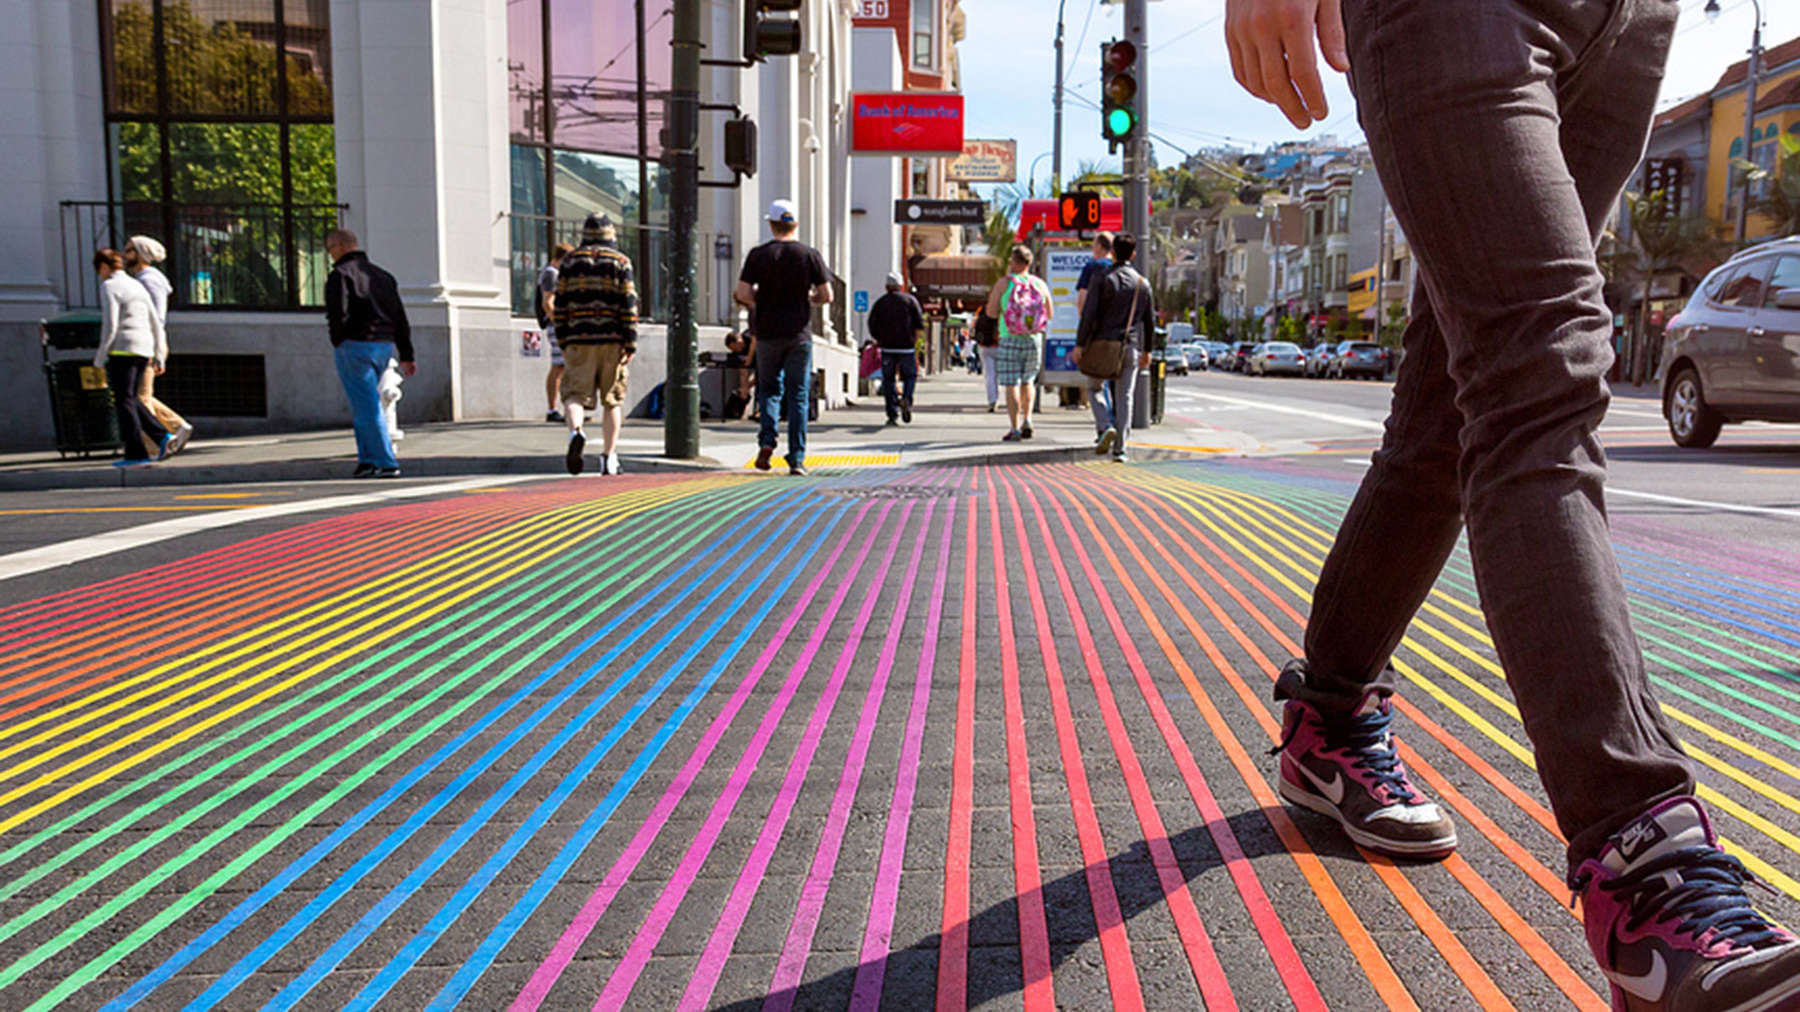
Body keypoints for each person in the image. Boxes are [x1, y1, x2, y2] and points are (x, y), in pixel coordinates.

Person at [1227, 0, 1800, 1007]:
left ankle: (1328, 715)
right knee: (1541, 367)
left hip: (1627, 22)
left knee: (1451, 407)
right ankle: (1647, 872)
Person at [735, 199, 831, 476]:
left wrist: (761, 301)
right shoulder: (809, 254)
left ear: (771, 224)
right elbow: (827, 295)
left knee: (768, 390)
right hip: (799, 334)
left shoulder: (758, 255)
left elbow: (742, 293)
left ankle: (767, 442)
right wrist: (809, 298)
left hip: (767, 333)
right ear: (796, 223)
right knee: (798, 394)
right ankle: (797, 457)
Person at [324, 228, 414, 479]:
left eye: (330, 250)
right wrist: (406, 353)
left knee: (366, 406)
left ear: (339, 247)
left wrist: (338, 340)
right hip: (384, 345)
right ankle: (367, 460)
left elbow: (337, 314)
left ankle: (385, 461)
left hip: (355, 345)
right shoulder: (383, 277)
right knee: (365, 404)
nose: (331, 255)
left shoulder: (340, 275)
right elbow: (399, 317)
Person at [555, 214, 638, 477]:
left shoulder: (569, 261)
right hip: (613, 341)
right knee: (612, 400)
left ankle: (576, 432)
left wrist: (563, 338)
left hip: (578, 339)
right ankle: (609, 457)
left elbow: (560, 304)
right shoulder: (621, 261)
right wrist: (630, 341)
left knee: (573, 396)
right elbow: (629, 302)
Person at [1075, 233, 1153, 463]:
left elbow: (1089, 314)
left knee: (1095, 387)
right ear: (1133, 254)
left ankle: (1104, 425)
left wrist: (1080, 344)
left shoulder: (1102, 278)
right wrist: (1148, 350)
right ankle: (1121, 449)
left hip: (1102, 344)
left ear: (1113, 253)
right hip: (1130, 346)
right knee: (1125, 396)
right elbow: (1149, 321)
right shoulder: (1142, 284)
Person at [92, 248, 168, 468]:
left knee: (123, 402)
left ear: (104, 267)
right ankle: (162, 435)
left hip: (122, 350)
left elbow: (111, 325)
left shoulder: (109, 286)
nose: (100, 275)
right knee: (131, 397)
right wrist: (158, 353)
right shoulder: (137, 285)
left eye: (99, 270)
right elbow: (155, 321)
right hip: (144, 348)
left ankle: (136, 453)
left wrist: (100, 357)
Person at [123, 236, 192, 458]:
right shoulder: (145, 279)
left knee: (140, 397)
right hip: (148, 342)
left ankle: (155, 446)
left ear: (141, 253)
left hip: (148, 342)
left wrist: (155, 351)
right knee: (137, 393)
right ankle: (177, 426)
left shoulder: (149, 281)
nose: (125, 255)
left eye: (129, 250)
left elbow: (155, 317)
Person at [983, 246, 1051, 442]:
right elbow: (1050, 313)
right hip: (1033, 338)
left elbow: (991, 312)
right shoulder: (1039, 284)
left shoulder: (1004, 284)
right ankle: (1028, 419)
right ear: (1029, 263)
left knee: (1011, 382)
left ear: (1013, 262)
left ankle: (1015, 428)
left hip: (1009, 336)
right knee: (1028, 380)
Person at [868, 272, 924, 426]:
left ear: (886, 287)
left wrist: (879, 339)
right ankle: (906, 398)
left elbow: (872, 324)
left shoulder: (880, 303)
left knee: (888, 380)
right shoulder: (911, 301)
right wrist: (914, 343)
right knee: (910, 377)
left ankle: (892, 413)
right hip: (906, 347)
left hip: (887, 348)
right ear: (901, 286)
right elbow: (919, 325)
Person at [538, 242, 573, 422]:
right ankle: (553, 409)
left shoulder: (554, 273)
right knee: (559, 365)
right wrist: (558, 322)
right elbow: (547, 302)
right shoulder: (551, 274)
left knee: (563, 365)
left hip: (558, 323)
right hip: (556, 324)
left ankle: (566, 408)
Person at [1074, 231, 1114, 319]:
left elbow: (1082, 296)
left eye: (1094, 245)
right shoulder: (1118, 266)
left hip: (1096, 323)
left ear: (1099, 247)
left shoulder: (1092, 266)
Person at [973, 306, 1000, 408]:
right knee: (997, 376)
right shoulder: (999, 313)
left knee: (989, 375)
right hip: (998, 346)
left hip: (984, 347)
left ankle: (992, 400)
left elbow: (974, 331)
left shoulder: (980, 314)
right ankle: (996, 397)